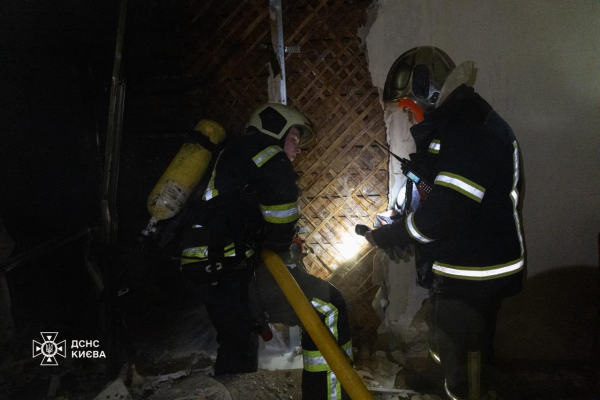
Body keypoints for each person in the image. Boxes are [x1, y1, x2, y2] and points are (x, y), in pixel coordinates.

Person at [364, 46, 525, 399]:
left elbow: (446, 213)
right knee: (442, 331)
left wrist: (395, 234)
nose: (410, 117)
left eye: (409, 107)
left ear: (429, 89)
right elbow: (442, 188)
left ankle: (460, 391)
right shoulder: (456, 124)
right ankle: (438, 379)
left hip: (477, 271)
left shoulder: (470, 130)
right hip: (462, 263)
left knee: (466, 357)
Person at [179, 103, 352, 400]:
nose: (298, 148)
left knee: (238, 340)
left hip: (209, 266)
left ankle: (234, 393)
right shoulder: (262, 148)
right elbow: (282, 191)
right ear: (274, 127)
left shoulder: (235, 156)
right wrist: (280, 246)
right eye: (294, 138)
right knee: (329, 306)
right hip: (229, 266)